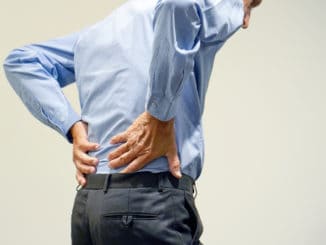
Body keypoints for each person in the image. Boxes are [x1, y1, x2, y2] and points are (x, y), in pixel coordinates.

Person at [3, 0, 262, 244]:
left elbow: (23, 61)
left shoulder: (97, 33)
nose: (245, 20)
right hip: (148, 205)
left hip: (89, 207)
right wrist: (160, 115)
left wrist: (73, 126)